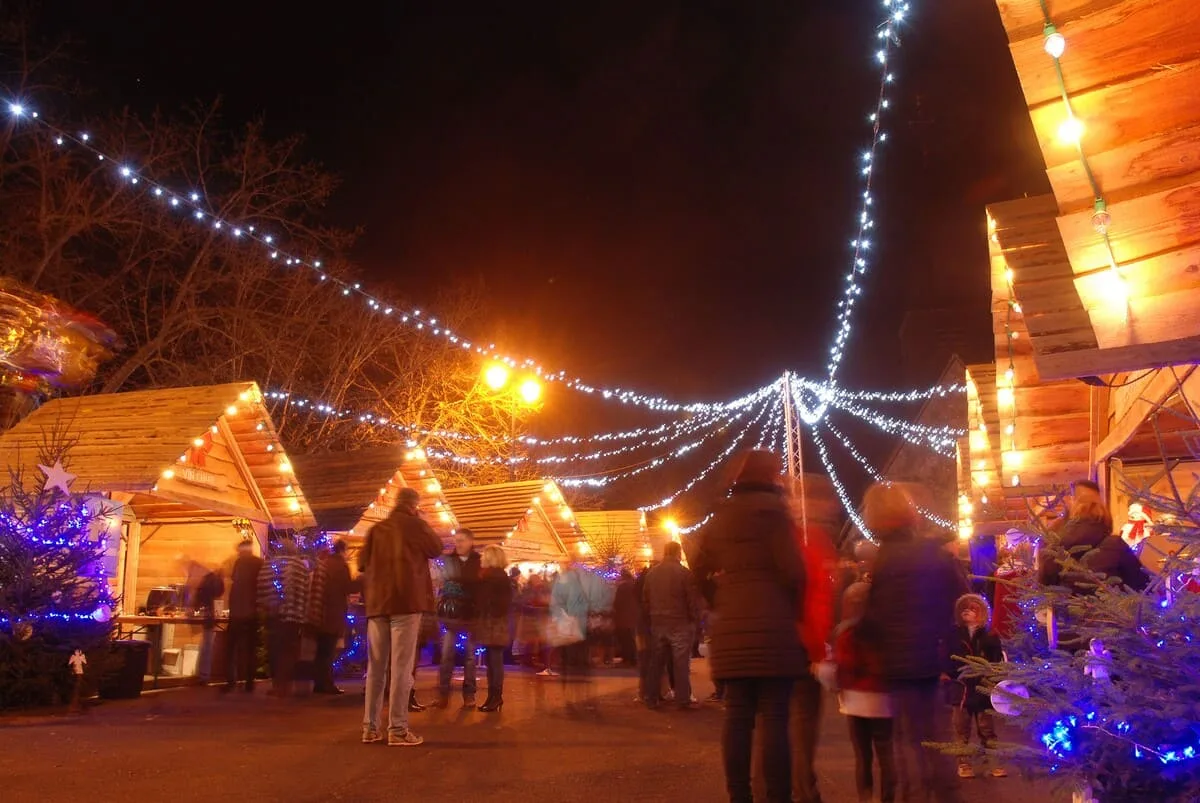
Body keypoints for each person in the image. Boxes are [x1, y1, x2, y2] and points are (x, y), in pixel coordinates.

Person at [691, 450, 808, 803]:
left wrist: (720, 598)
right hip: (774, 628)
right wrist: (790, 610)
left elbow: (697, 569)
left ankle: (738, 795)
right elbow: (795, 573)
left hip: (732, 629)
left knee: (737, 715)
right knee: (774, 716)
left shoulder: (720, 518)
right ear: (772, 476)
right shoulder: (775, 515)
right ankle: (777, 796)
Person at [862, 482, 966, 803]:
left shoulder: (881, 562)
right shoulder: (934, 554)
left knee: (908, 745)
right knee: (939, 740)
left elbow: (875, 619)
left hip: (898, 666)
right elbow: (962, 602)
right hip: (934, 658)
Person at [359, 487, 443, 746]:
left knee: (376, 668)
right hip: (407, 603)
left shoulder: (376, 530)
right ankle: (397, 729)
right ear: (414, 505)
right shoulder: (416, 525)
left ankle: (370, 729)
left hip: (377, 605)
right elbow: (437, 548)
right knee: (402, 668)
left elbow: (362, 563)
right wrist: (422, 521)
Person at [834, 581, 895, 803]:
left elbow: (843, 666)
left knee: (863, 756)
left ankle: (866, 798)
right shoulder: (886, 629)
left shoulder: (846, 632)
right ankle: (888, 798)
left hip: (855, 701)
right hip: (883, 699)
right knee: (887, 755)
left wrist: (839, 686)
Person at [1040, 492, 1148, 595]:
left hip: (1067, 613)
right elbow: (1144, 585)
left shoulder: (1055, 548)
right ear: (1107, 520)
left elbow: (1044, 588)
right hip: (1115, 612)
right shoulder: (1115, 545)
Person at [948, 594, 1007, 780]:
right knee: (961, 730)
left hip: (982, 691)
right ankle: (963, 763)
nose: (968, 611)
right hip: (962, 690)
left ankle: (993, 762)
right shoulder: (954, 636)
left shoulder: (989, 637)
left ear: (981, 613)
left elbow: (996, 662)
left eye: (973, 608)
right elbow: (946, 659)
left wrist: (992, 681)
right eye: (964, 608)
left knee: (987, 729)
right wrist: (952, 675)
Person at [643, 540, 701, 710]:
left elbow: (645, 600)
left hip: (658, 622)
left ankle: (651, 697)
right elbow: (691, 600)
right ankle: (682, 699)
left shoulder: (652, 574)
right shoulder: (684, 573)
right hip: (679, 622)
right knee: (680, 663)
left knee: (657, 663)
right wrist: (694, 620)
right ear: (678, 552)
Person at [256, 536, 311, 698]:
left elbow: (261, 589)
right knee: (289, 651)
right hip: (293, 617)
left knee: (274, 650)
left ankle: (276, 685)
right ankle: (285, 685)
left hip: (273, 616)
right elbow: (305, 591)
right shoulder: (300, 566)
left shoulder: (269, 565)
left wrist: (267, 607)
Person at [436, 529, 482, 708]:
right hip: (451, 615)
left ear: (471, 541)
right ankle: (443, 694)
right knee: (447, 654)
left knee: (470, 657)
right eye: (457, 541)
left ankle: (469, 695)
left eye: (462, 540)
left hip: (471, 615)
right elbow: (442, 584)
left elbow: (480, 588)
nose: (459, 544)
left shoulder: (478, 561)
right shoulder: (449, 560)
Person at [473, 544, 513, 712]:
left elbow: (490, 601)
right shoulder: (499, 576)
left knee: (494, 662)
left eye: (484, 556)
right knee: (492, 661)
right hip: (496, 623)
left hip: (494, 624)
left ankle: (495, 697)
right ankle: (493, 696)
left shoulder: (492, 577)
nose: (482, 558)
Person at [313, 540, 352, 695]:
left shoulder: (325, 563)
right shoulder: (341, 565)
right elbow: (347, 587)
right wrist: (363, 582)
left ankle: (319, 684)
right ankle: (327, 684)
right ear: (343, 550)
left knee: (321, 650)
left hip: (321, 613)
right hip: (334, 613)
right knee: (329, 651)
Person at [223, 539, 262, 693]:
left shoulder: (241, 563)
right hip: (250, 613)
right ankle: (248, 682)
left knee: (232, 648)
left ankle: (232, 681)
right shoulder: (257, 563)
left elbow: (235, 582)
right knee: (249, 649)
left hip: (240, 613)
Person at [612, 568, 639, 666]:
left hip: (623, 618)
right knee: (631, 639)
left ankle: (627, 659)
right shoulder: (635, 585)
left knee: (625, 640)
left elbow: (617, 603)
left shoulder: (622, 587)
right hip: (634, 617)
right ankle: (633, 659)